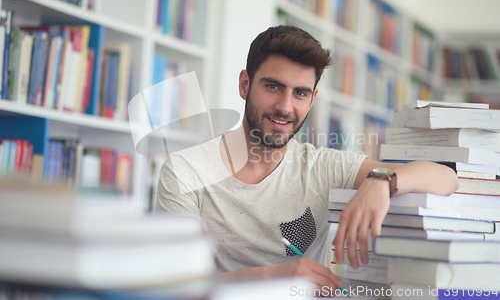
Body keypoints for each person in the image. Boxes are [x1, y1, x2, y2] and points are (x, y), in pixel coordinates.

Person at [156, 25, 458, 289]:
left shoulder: (323, 167)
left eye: (300, 93)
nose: (285, 107)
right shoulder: (186, 171)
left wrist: (381, 181)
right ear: (245, 84)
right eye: (273, 86)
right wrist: (271, 276)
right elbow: (173, 282)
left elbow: (446, 177)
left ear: (312, 98)